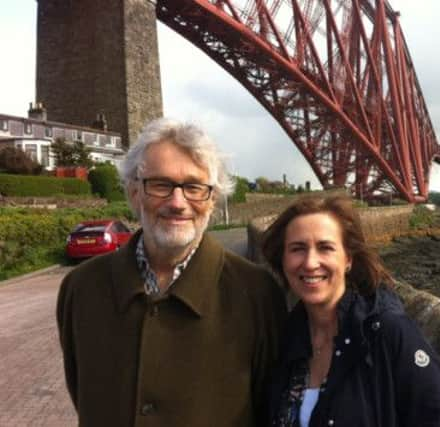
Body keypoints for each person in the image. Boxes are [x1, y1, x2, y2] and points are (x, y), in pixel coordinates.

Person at [57, 118, 287, 427]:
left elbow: (268, 407)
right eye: (161, 185)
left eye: (194, 187)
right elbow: (83, 393)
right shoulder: (81, 287)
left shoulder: (257, 292)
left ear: (212, 200)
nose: (178, 203)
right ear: (134, 192)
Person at [262, 196, 440, 427]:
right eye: (297, 249)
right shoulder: (285, 339)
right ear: (283, 261)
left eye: (325, 247)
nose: (310, 262)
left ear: (348, 259)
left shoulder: (388, 333)